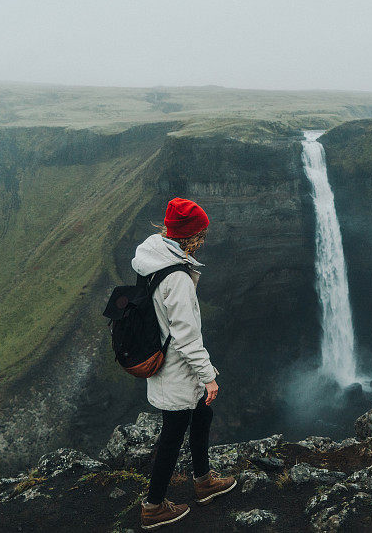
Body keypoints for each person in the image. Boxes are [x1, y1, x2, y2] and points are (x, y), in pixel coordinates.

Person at [131, 197, 236, 530]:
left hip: (172, 364)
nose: (204, 240)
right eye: (201, 235)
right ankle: (153, 506)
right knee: (172, 435)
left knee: (203, 413)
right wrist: (209, 378)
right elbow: (187, 337)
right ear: (191, 237)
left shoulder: (153, 256)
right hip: (177, 370)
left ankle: (204, 480)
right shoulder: (176, 278)